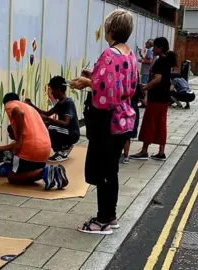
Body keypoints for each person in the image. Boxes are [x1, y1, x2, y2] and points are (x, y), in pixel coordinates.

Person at [69, 9, 137, 235]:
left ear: (110, 29)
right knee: (111, 170)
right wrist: (94, 77)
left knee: (101, 171)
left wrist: (86, 82)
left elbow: (105, 93)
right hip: (123, 119)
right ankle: (111, 216)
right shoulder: (129, 54)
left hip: (107, 121)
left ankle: (103, 220)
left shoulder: (110, 54)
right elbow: (121, 83)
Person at [0, 92, 68, 190]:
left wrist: (19, 139)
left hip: (30, 149)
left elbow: (18, 112)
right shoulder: (30, 109)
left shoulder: (10, 104)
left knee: (12, 177)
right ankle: (53, 173)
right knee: (28, 175)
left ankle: (44, 172)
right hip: (45, 148)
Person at [130, 37, 177, 161]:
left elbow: (157, 79)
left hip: (156, 97)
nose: (153, 49)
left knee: (149, 123)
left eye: (155, 47)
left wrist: (145, 87)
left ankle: (144, 151)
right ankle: (161, 151)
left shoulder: (160, 61)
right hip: (164, 98)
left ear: (160, 48)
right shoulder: (168, 60)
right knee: (161, 124)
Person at [24, 76, 81, 162]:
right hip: (65, 131)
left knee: (50, 128)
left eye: (53, 90)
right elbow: (47, 113)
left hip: (72, 133)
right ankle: (62, 148)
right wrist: (31, 105)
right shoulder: (60, 103)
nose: (51, 93)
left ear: (59, 90)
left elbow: (66, 123)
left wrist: (48, 119)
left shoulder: (68, 103)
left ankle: (63, 150)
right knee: (46, 126)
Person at [120, 72, 143, 164]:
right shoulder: (136, 85)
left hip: (123, 108)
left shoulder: (123, 84)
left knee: (122, 133)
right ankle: (126, 156)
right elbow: (142, 99)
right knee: (128, 135)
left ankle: (120, 154)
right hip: (133, 110)